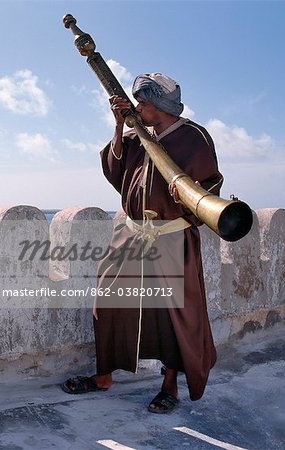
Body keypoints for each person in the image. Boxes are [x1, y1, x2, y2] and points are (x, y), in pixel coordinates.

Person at [62, 73, 223, 413]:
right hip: (131, 233)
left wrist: (191, 197)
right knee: (108, 299)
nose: (138, 107)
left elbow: (211, 188)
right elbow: (117, 172)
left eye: (143, 103)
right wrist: (119, 128)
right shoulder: (140, 135)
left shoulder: (194, 137)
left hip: (171, 237)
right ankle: (104, 376)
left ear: (160, 105)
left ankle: (170, 387)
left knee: (173, 315)